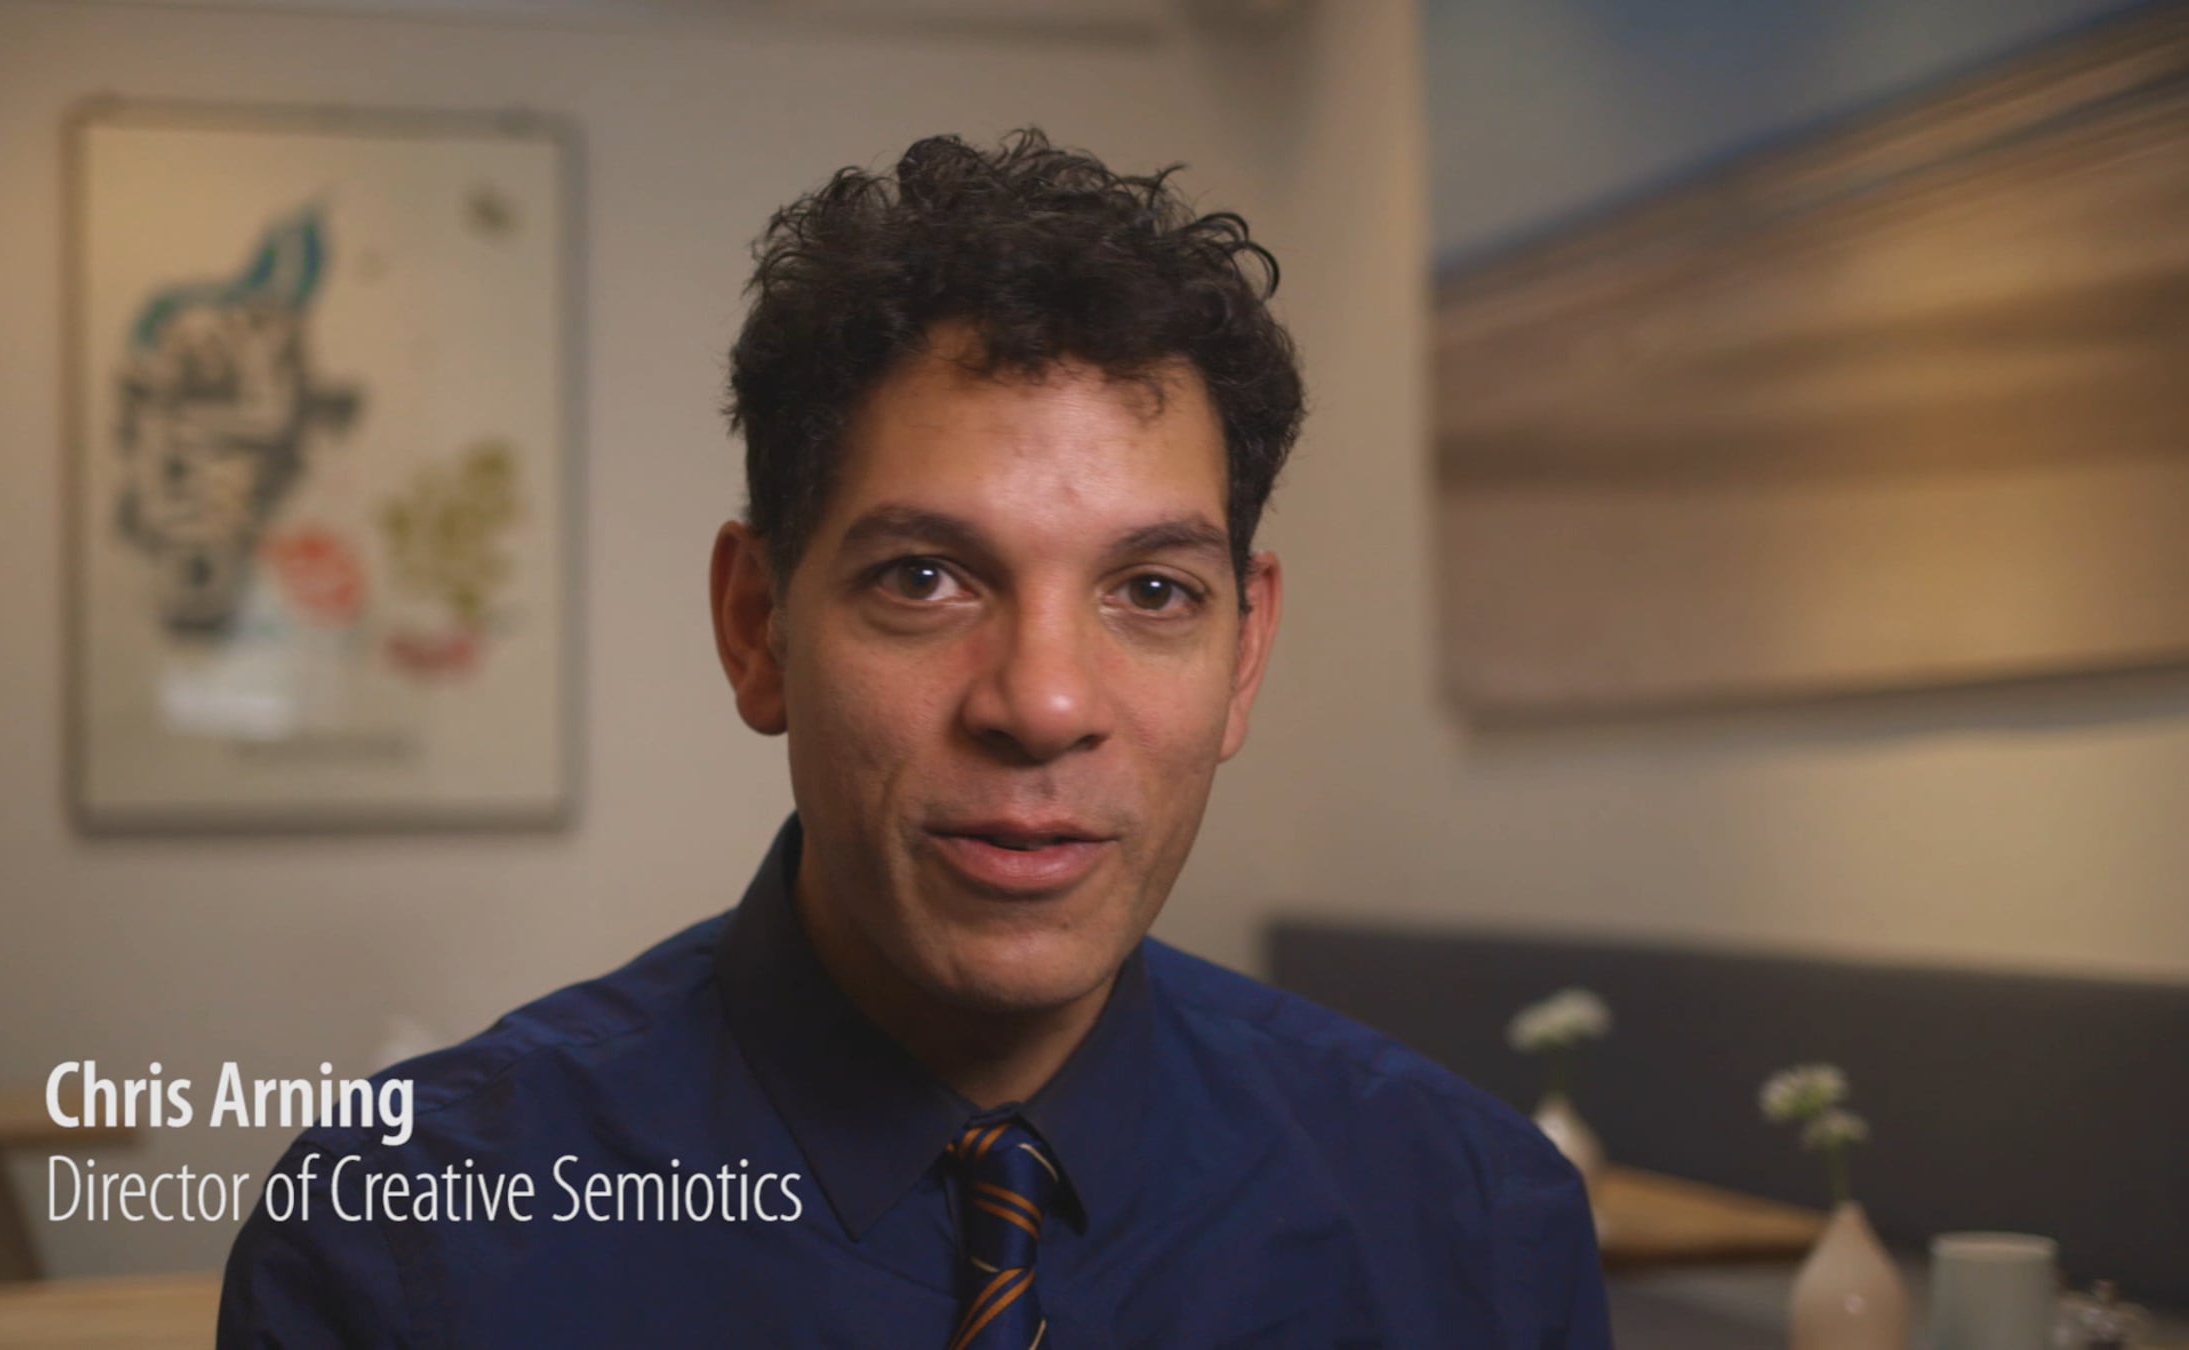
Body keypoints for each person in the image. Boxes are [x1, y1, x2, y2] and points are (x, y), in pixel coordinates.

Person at [218, 129, 1610, 1348]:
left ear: (1244, 653)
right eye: (925, 577)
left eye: (1151, 592)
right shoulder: (405, 1243)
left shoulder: (1473, 1228)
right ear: (758, 625)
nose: (1042, 703)